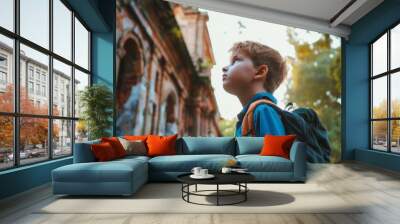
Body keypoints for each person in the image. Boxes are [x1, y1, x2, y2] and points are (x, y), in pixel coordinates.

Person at [222, 40, 288, 137]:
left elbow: (276, 152)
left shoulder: (264, 111)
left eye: (235, 61)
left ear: (260, 72)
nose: (224, 68)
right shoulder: (252, 114)